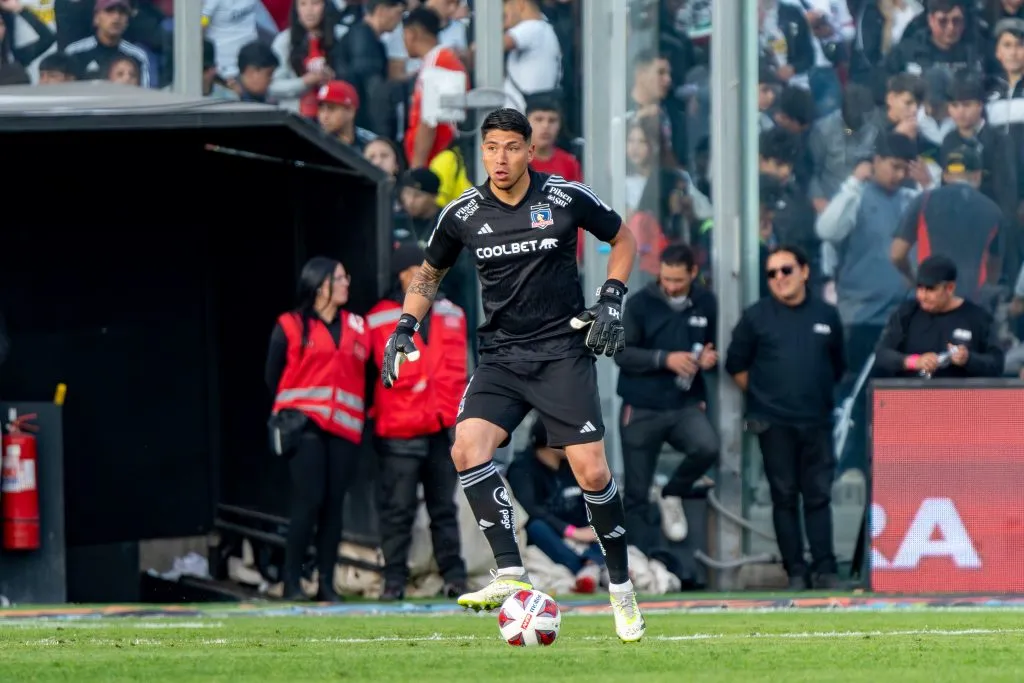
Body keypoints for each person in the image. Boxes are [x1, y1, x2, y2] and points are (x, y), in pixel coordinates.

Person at [379, 108, 645, 642]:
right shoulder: (462, 213)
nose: (500, 158)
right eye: (492, 148)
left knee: (591, 473)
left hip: (561, 352)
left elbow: (624, 241)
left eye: (510, 148)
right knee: (466, 447)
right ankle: (510, 572)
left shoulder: (565, 197)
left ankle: (621, 587)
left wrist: (611, 298)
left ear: (529, 151)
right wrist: (406, 325)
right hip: (501, 356)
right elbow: (430, 273)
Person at [724, 245, 845, 591]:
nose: (779, 278)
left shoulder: (827, 315)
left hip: (817, 421)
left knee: (819, 495)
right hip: (773, 424)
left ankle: (826, 570)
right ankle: (795, 571)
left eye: (786, 270)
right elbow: (736, 364)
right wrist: (766, 396)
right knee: (784, 496)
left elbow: (838, 366)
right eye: (772, 273)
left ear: (805, 271)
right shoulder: (756, 316)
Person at [367, 243, 469, 601]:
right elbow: (366, 376)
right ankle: (393, 581)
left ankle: (454, 577)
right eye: (421, 268)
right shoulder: (379, 318)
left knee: (444, 508)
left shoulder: (454, 313)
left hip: (443, 428)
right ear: (403, 274)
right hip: (399, 431)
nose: (430, 274)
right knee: (398, 511)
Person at [265, 257, 369, 602]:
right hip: (304, 426)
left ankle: (326, 583)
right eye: (339, 278)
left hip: (344, 429)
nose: (346, 283)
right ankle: (291, 582)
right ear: (319, 284)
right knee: (308, 502)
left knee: (334, 506)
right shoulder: (291, 325)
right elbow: (272, 375)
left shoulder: (357, 325)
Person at [615, 243, 719, 550]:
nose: (671, 286)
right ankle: (637, 563)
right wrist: (665, 359)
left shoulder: (706, 302)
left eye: (678, 280)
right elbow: (621, 353)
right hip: (641, 407)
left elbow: (711, 345)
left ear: (693, 274)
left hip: (684, 404)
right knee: (635, 491)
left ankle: (672, 492)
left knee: (707, 448)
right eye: (666, 279)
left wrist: (707, 360)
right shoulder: (639, 304)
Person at [506, 419, 606, 594]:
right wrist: (570, 531)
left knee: (605, 518)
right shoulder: (522, 468)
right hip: (550, 534)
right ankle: (587, 569)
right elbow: (530, 509)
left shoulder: (572, 466)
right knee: (536, 526)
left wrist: (592, 528)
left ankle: (592, 567)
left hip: (579, 533)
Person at [874, 254, 1005, 378]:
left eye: (930, 289)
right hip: (913, 396)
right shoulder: (907, 313)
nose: (922, 296)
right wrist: (914, 362)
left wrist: (968, 359)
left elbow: (997, 364)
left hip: (961, 398)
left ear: (950, 288)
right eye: (919, 288)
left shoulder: (978, 318)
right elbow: (882, 354)